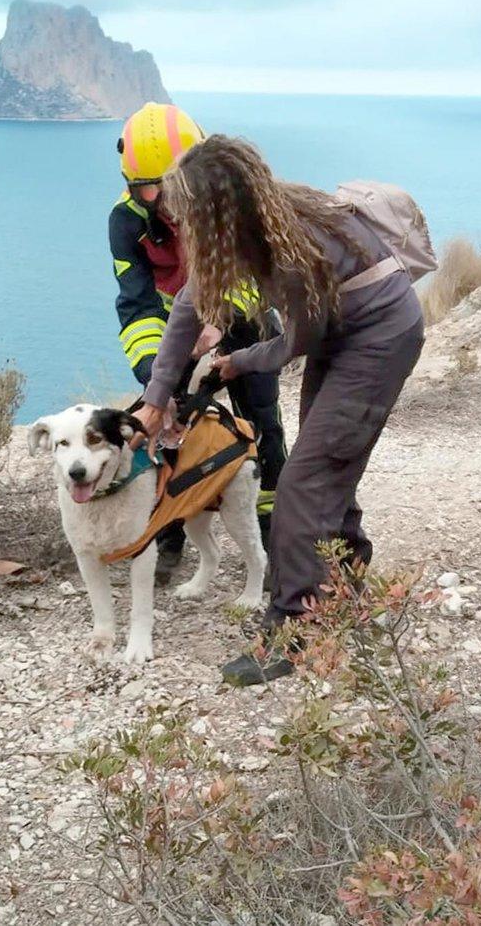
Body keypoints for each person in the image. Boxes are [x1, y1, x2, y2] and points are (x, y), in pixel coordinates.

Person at [132, 135, 425, 685]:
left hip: (379, 337)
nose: (182, 224)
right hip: (344, 329)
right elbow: (190, 305)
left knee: (304, 481)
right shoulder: (253, 225)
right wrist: (156, 398)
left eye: (189, 214)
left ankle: (293, 631)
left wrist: (239, 361)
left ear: (219, 210)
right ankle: (345, 581)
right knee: (325, 467)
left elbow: (295, 341)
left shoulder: (290, 251)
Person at [109, 103, 286, 582]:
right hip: (176, 341)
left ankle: (277, 540)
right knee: (166, 433)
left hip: (244, 325)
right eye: (152, 191)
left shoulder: (233, 204)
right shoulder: (126, 222)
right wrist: (155, 374)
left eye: (175, 188)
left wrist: (222, 319)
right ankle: (168, 538)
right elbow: (136, 305)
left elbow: (259, 276)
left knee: (263, 429)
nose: (168, 203)